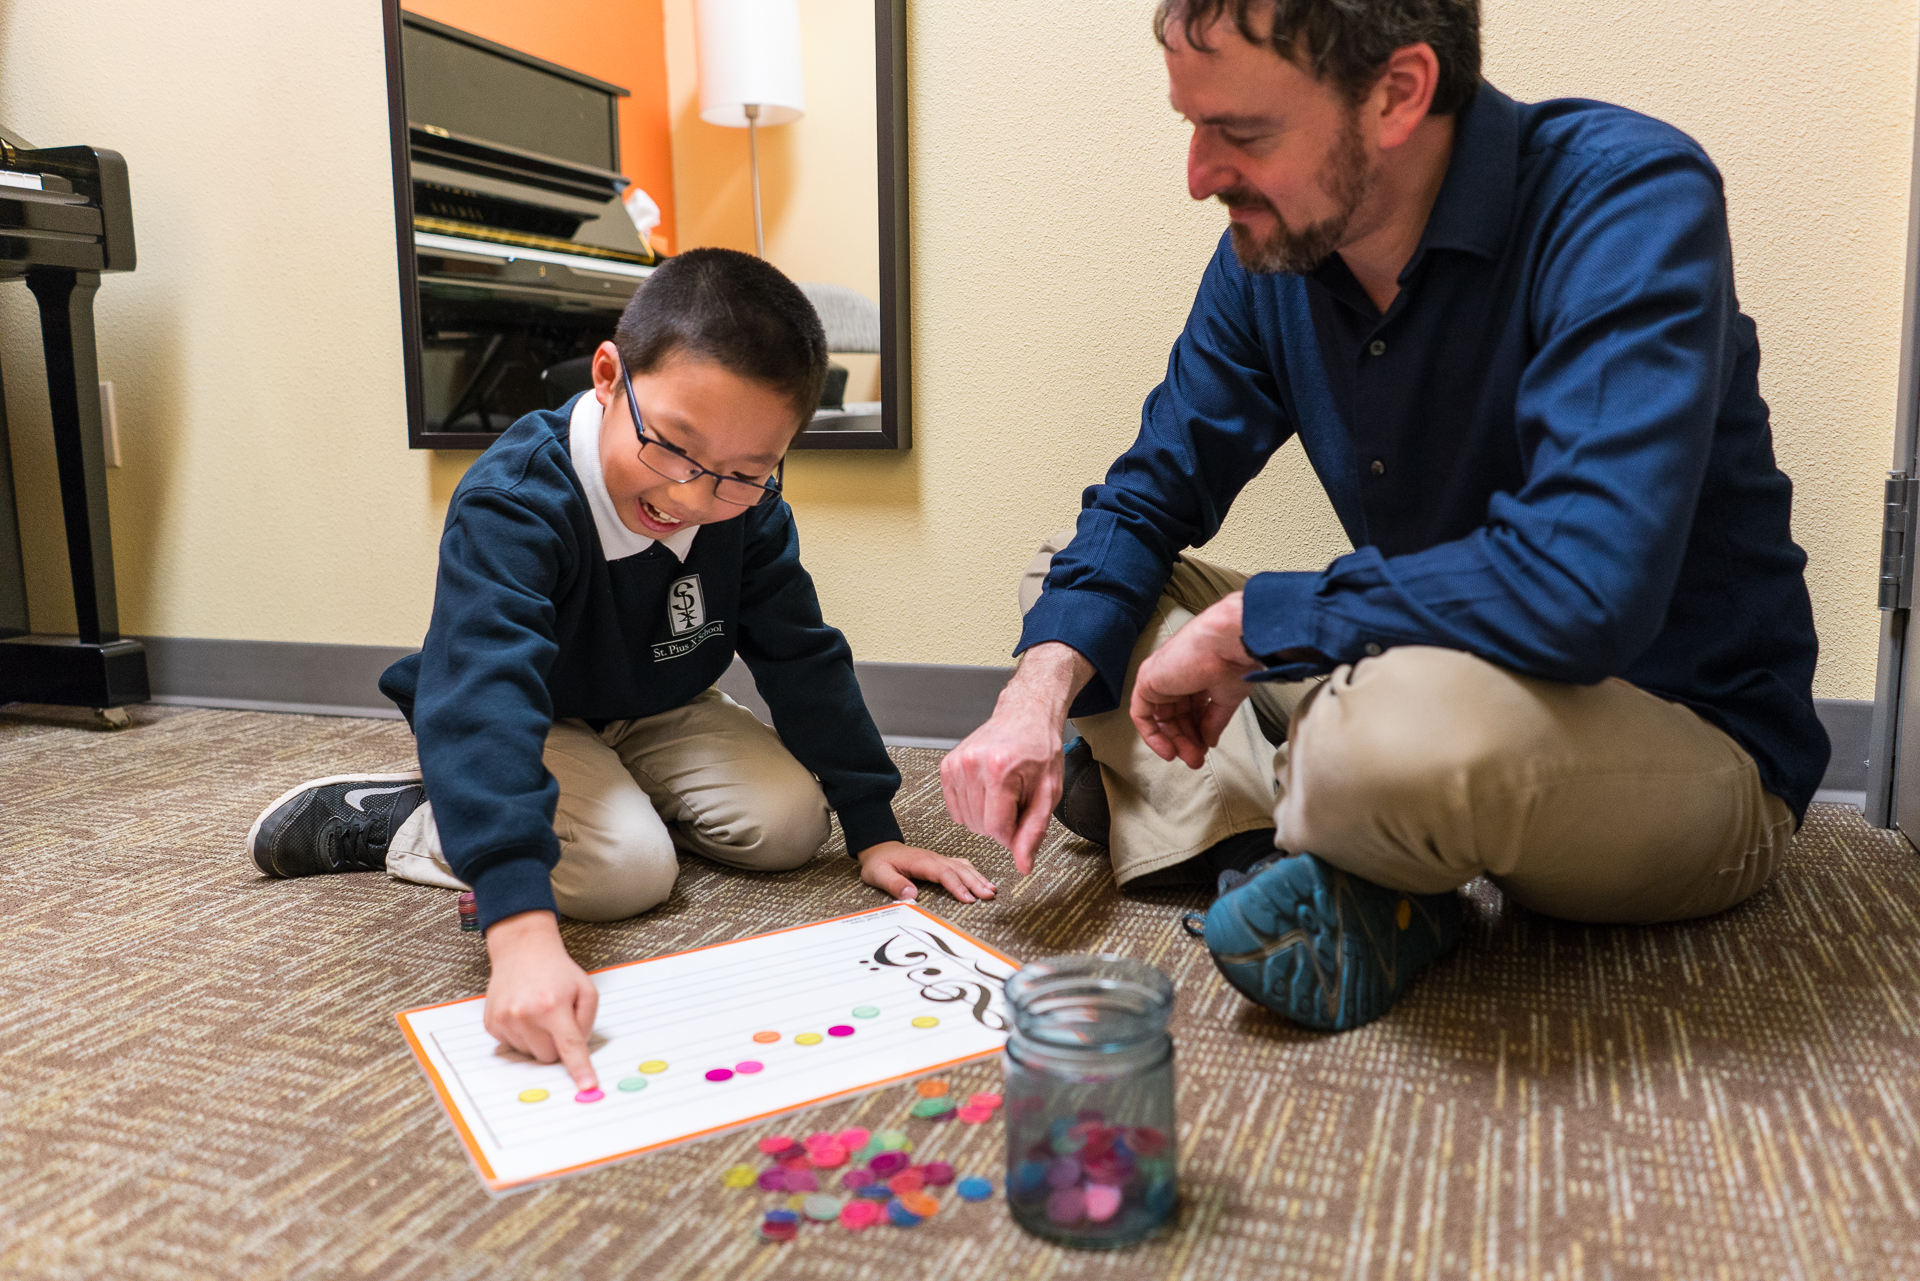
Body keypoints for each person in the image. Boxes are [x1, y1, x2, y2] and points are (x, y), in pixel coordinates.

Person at [940, 0, 1828, 1031]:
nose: (1198, 174)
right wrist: (1031, 701)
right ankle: (1337, 843)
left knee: (1383, 741)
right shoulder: (1268, 256)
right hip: (1422, 675)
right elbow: (1147, 496)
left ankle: (1267, 811)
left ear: (1398, 93)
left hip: (1679, 736)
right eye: (1192, 124)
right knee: (1070, 592)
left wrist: (1251, 626)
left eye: (1243, 132)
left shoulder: (1625, 198)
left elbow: (1586, 590)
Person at [247, 249, 993, 1088]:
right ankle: (423, 818)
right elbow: (488, 693)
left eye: (745, 474)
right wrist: (521, 932)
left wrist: (875, 823)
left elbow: (801, 652)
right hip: (524, 711)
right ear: (608, 375)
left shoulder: (750, 512)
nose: (694, 496)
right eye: (673, 447)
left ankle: (600, 802)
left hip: (658, 699)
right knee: (628, 872)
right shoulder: (517, 499)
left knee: (791, 828)